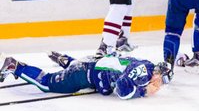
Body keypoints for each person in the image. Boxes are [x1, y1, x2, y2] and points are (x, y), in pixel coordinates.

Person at [0, 53, 171, 99]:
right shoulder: (142, 72)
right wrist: (143, 92)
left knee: (80, 69)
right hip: (85, 73)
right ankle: (15, 66)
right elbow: (121, 89)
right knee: (47, 83)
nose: (159, 85)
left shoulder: (146, 64)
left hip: (91, 64)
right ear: (157, 72)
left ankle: (65, 60)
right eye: (161, 80)